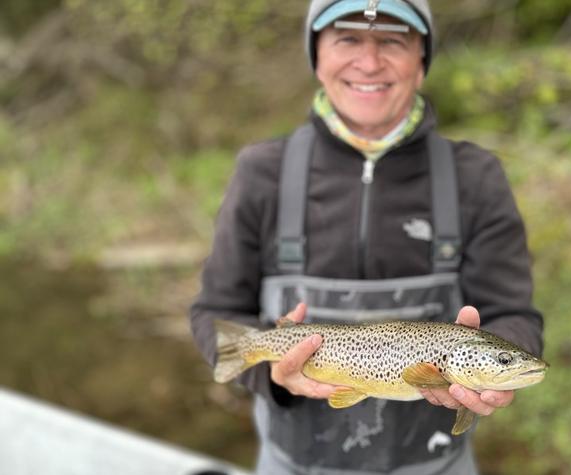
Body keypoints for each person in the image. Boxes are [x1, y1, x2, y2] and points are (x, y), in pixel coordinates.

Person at [189, 1, 544, 474]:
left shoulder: (475, 177)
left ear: (422, 61)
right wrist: (271, 372)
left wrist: (497, 372)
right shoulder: (262, 172)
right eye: (347, 39)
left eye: (393, 41)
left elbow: (513, 314)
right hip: (292, 462)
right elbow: (214, 314)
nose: (370, 62)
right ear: (316, 55)